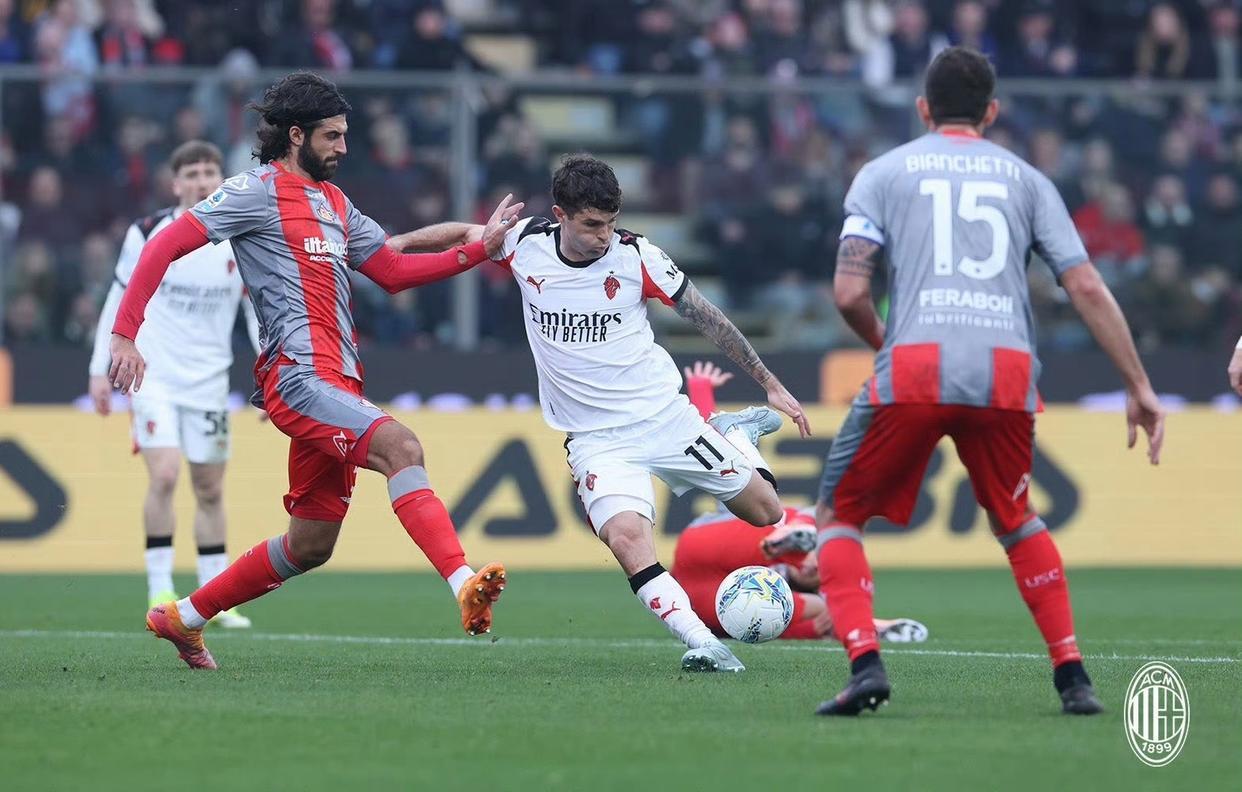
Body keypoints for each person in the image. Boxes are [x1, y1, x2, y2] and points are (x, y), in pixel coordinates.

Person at [106, 72, 523, 670]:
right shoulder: (253, 191)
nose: (344, 147)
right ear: (296, 135)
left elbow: (391, 271)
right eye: (333, 135)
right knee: (402, 447)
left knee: (310, 544)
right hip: (297, 378)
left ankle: (182, 618)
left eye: (345, 135)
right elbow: (162, 245)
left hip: (340, 381)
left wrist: (475, 251)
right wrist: (125, 334)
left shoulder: (335, 203)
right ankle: (462, 582)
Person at [812, 47, 1165, 716]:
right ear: (992, 112)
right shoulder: (1030, 181)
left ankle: (865, 665)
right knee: (1016, 518)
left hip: (915, 366)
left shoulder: (882, 173)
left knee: (839, 515)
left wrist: (890, 347)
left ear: (923, 109)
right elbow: (1087, 285)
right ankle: (1072, 675)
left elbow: (849, 292)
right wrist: (1139, 385)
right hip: (1006, 371)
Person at [470, 153, 811, 673]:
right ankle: (705, 644)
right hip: (596, 440)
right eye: (592, 224)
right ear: (560, 215)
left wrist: (769, 383)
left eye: (611, 222)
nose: (604, 235)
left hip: (665, 418)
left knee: (766, 513)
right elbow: (462, 235)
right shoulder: (523, 243)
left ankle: (737, 434)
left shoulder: (637, 256)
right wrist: (392, 249)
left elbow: (707, 317)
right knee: (628, 539)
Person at [88, 140, 259, 629]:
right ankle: (160, 586)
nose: (202, 182)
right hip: (154, 376)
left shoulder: (239, 237)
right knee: (164, 475)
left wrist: (271, 371)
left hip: (209, 381)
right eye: (193, 174)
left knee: (210, 487)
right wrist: (100, 367)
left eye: (210, 173)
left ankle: (215, 596)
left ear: (221, 180)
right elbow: (118, 298)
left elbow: (256, 310)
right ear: (175, 183)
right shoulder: (148, 232)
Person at [671, 361, 928, 644]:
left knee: (762, 616)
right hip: (706, 545)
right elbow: (715, 453)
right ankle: (861, 617)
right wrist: (701, 390)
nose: (814, 567)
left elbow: (712, 452)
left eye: (818, 572)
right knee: (786, 519)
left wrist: (701, 388)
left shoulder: (786, 594)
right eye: (818, 558)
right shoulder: (773, 534)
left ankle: (866, 623)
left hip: (697, 595)